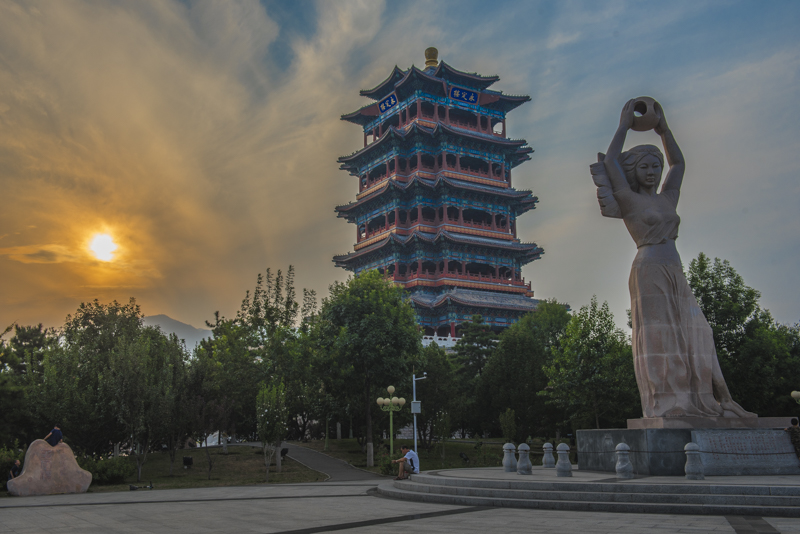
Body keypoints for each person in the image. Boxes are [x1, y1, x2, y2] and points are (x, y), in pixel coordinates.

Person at [598, 99, 753, 419]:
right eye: (644, 167)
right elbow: (611, 160)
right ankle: (670, 403)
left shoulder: (668, 197)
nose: (652, 172)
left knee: (700, 332)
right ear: (634, 172)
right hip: (649, 270)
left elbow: (678, 164)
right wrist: (624, 126)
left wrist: (664, 130)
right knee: (662, 338)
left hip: (675, 270)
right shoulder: (628, 199)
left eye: (655, 166)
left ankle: (718, 399)